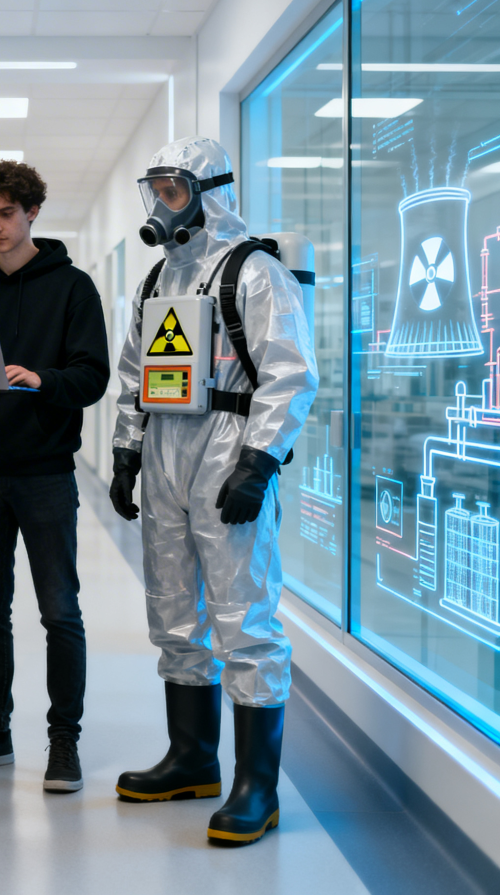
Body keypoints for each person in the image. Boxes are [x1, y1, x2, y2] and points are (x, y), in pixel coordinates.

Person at [109, 137, 317, 844]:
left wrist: (258, 464)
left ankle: (258, 786)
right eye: (156, 189)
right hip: (168, 447)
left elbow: (290, 374)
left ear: (206, 191)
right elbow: (136, 370)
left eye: (173, 189)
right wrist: (126, 452)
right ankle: (192, 757)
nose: (163, 203)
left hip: (228, 450)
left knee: (244, 620)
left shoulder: (255, 273)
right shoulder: (158, 280)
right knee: (172, 610)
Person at [0, 160, 110, 792]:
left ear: (32, 212)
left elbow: (92, 378)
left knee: (60, 611)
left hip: (45, 475)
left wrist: (41, 379)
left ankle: (64, 740)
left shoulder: (73, 288)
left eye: (7, 214)